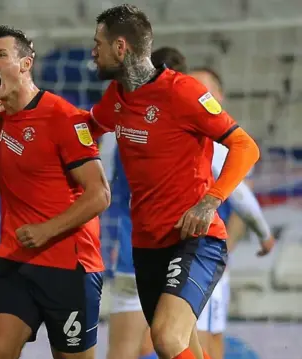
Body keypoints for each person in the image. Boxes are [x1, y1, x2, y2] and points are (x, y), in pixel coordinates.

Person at [87, 5, 260, 359]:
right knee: (179, 347)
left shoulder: (182, 92)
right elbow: (86, 127)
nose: (93, 52)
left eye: (98, 44)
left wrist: (210, 200)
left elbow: (245, 146)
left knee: (165, 336)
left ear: (121, 48)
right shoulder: (116, 99)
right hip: (147, 245)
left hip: (194, 239)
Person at [0, 25, 111, 359]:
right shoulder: (1, 124)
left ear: (25, 63)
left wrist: (45, 231)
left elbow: (99, 194)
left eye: (0, 55)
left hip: (68, 266)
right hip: (15, 260)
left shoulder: (62, 118)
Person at [189, 66, 275, 359]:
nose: (199, 96)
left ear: (220, 96)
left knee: (204, 339)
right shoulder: (178, 135)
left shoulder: (226, 142)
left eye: (206, 89)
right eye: (193, 89)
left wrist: (225, 250)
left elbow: (242, 200)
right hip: (167, 253)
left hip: (203, 254)